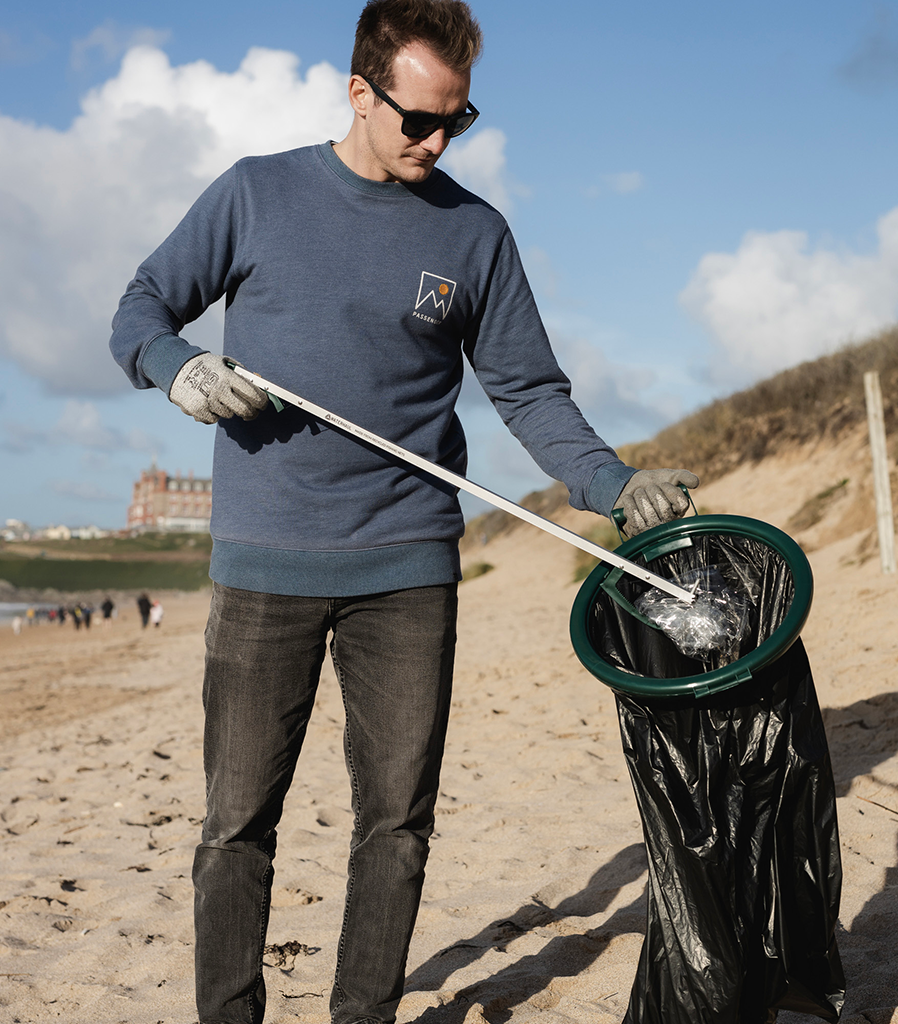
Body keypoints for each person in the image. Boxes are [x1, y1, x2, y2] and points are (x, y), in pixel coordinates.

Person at [109, 2, 698, 1021]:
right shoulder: (256, 194)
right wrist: (180, 367)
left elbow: (529, 394)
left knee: (396, 823)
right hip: (265, 565)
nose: (436, 141)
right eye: (418, 119)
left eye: (455, 122)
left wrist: (611, 484)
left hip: (409, 567)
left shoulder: (475, 235)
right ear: (358, 90)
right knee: (236, 822)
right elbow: (140, 308)